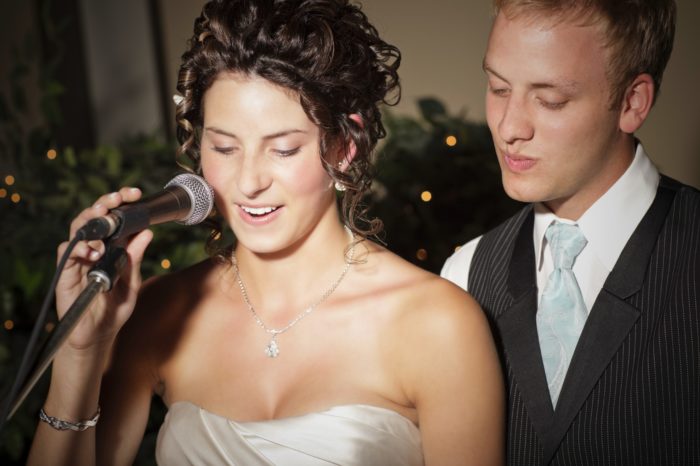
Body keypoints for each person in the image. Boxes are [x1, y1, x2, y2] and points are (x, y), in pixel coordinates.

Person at [28, 0, 504, 464]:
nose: (249, 182)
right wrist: (79, 352)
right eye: (225, 147)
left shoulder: (436, 325)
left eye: (282, 150)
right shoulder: (159, 311)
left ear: (343, 147)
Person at [442, 0, 699, 464]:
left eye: (550, 99)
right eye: (498, 88)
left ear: (632, 102)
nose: (508, 127)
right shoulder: (463, 276)